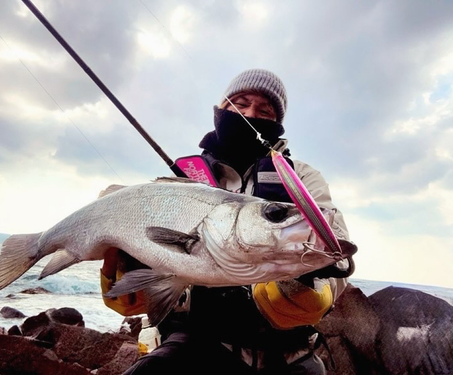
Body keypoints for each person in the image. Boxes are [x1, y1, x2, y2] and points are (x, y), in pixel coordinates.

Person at [100, 69, 354, 375]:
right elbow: (148, 290)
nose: (250, 114)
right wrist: (129, 268)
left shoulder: (301, 177)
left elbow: (338, 257)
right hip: (195, 343)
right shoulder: (180, 182)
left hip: (286, 352)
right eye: (240, 103)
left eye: (265, 110)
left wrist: (308, 286)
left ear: (277, 124)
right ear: (220, 110)